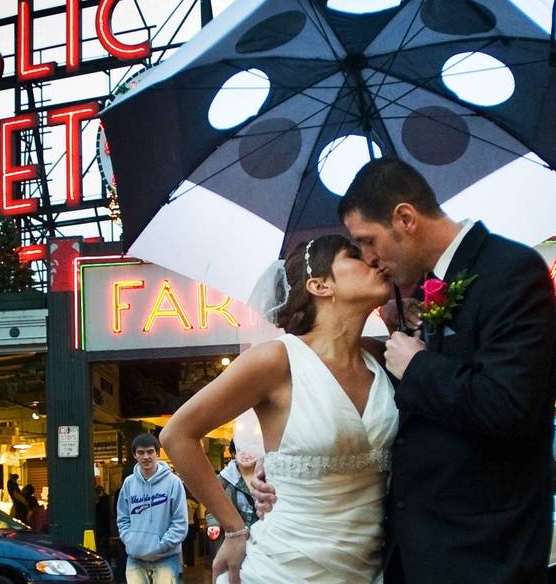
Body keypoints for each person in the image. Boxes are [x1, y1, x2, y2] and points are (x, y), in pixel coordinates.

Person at [255, 159, 556, 584]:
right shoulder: (421, 294)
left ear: (405, 218)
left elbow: (510, 406)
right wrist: (289, 470)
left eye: (367, 240)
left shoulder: (509, 271)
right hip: (410, 556)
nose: (369, 258)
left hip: (483, 556)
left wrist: (418, 365)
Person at [161, 234, 399, 584]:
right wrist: (234, 529)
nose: (374, 261)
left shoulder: (383, 359)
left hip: (371, 569)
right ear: (320, 285)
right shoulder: (276, 360)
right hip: (284, 570)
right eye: (354, 256)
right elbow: (177, 434)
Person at [116, 433, 187, 584]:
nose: (146, 456)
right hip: (135, 559)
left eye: (150, 451)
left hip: (166, 558)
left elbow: (180, 522)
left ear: (157, 453)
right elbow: (123, 518)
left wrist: (161, 545)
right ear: (134, 455)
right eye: (141, 452)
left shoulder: (173, 483)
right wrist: (131, 540)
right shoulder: (129, 483)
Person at [205, 439, 259, 546]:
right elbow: (214, 504)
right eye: (241, 451)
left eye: (250, 451)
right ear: (233, 453)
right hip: (238, 538)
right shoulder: (225, 478)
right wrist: (214, 525)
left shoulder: (269, 474)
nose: (247, 455)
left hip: (265, 537)